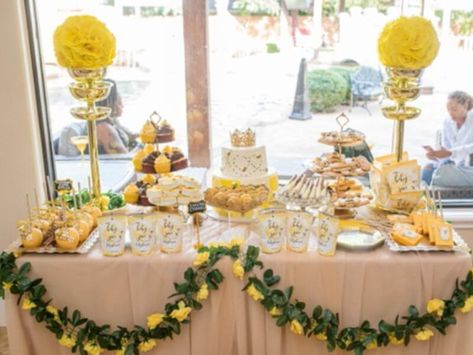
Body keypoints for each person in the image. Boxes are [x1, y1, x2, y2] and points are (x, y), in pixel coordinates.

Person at [57, 79, 137, 156]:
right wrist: (142, 149)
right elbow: (123, 157)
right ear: (109, 104)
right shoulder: (104, 128)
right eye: (119, 103)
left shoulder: (112, 121)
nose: (123, 106)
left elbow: (131, 135)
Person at [421, 91, 473, 187]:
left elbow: (467, 149)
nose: (450, 113)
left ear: (465, 105)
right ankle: (427, 200)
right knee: (426, 172)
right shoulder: (447, 122)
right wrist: (435, 156)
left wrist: (450, 152)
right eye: (448, 109)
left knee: (443, 175)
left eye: (454, 109)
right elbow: (446, 150)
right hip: (455, 166)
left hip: (469, 168)